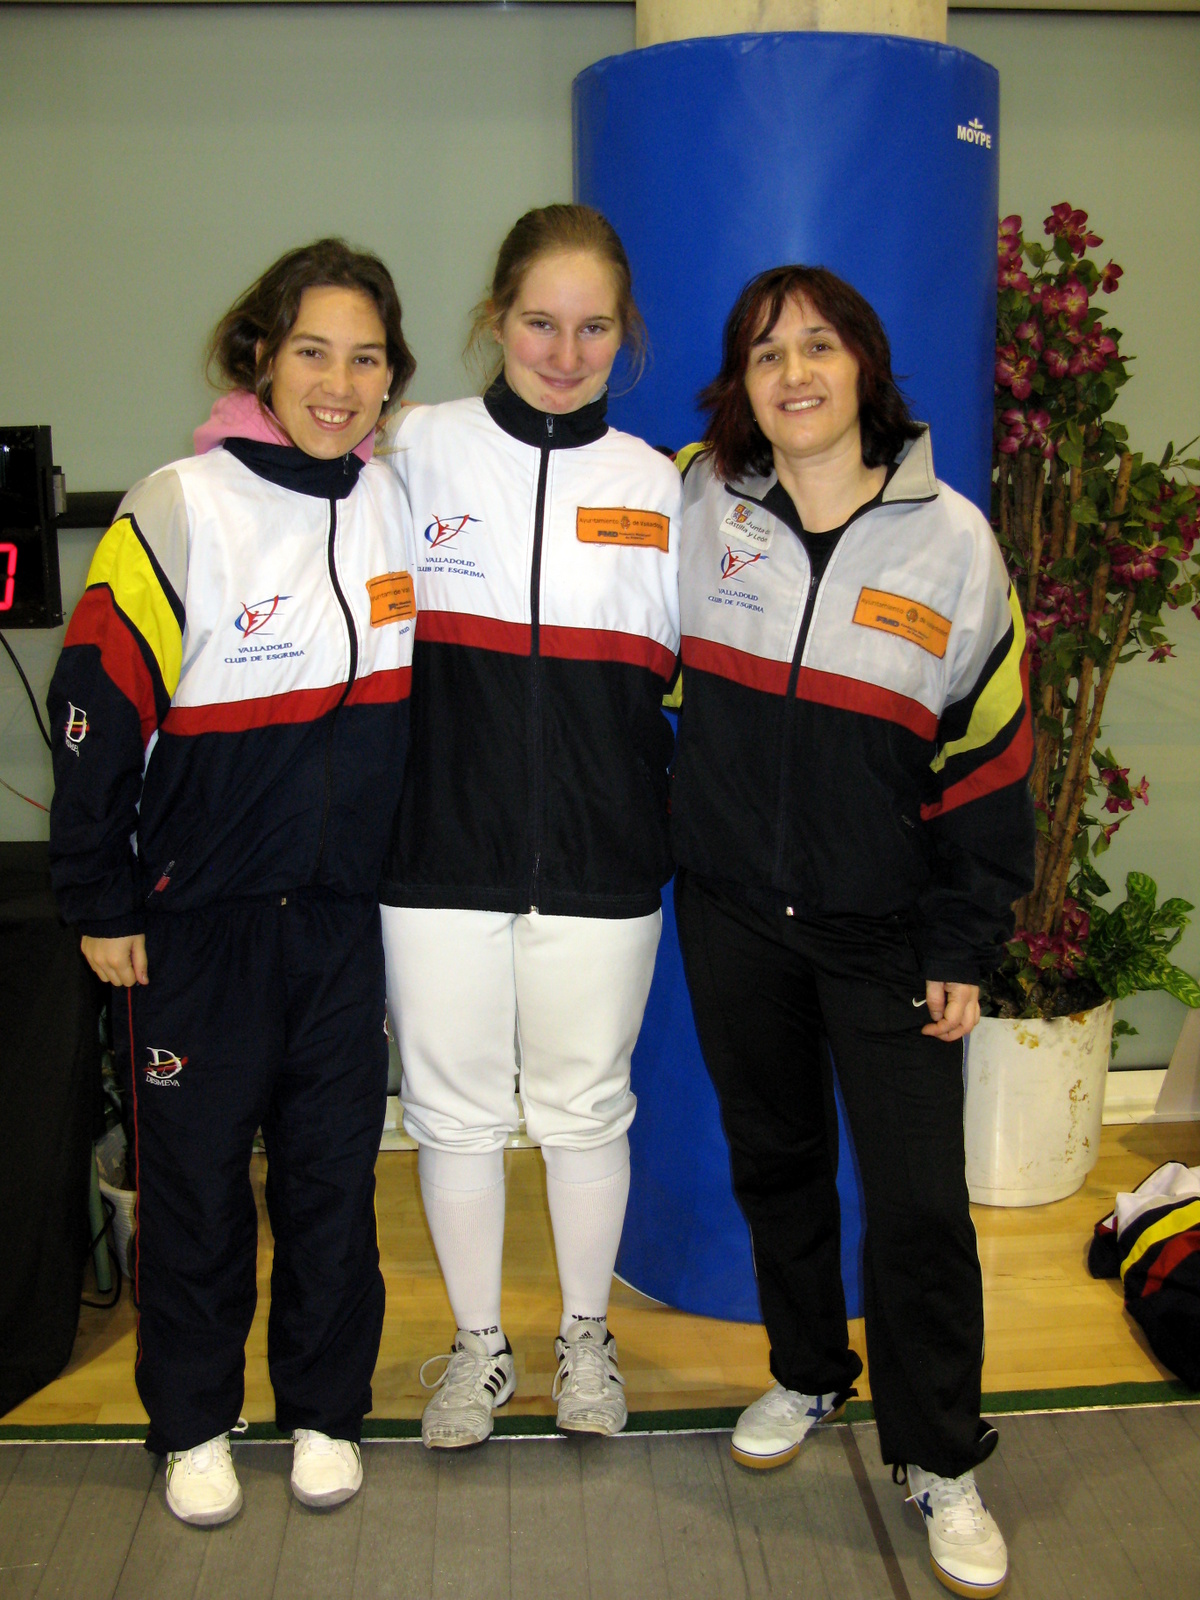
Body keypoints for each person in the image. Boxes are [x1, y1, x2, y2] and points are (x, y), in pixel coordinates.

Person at [670, 266, 1033, 1599]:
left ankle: (939, 1454)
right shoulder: (699, 503)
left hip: (888, 933)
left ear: (865, 365)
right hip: (732, 915)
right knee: (776, 1164)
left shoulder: (954, 541)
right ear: (742, 386)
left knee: (921, 1206)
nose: (794, 375)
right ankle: (811, 1370)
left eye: (818, 346)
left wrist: (961, 939)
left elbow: (992, 762)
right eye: (767, 355)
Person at [47, 239, 417, 1526]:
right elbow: (92, 706)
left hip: (341, 926)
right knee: (196, 1191)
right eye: (312, 351)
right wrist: (99, 898)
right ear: (260, 355)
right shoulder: (180, 505)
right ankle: (194, 1422)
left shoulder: (394, 503)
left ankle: (325, 1410)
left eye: (364, 358)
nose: (338, 383)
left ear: (392, 377)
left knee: (331, 1185)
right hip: (194, 929)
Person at [378, 204, 681, 1449]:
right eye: (540, 322)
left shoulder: (658, 483)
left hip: (605, 855)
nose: (565, 352)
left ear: (625, 331)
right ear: (496, 317)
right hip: (437, 848)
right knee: (452, 1110)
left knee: (585, 1107)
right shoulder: (416, 446)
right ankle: (479, 1349)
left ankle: (585, 1339)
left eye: (593, 327)